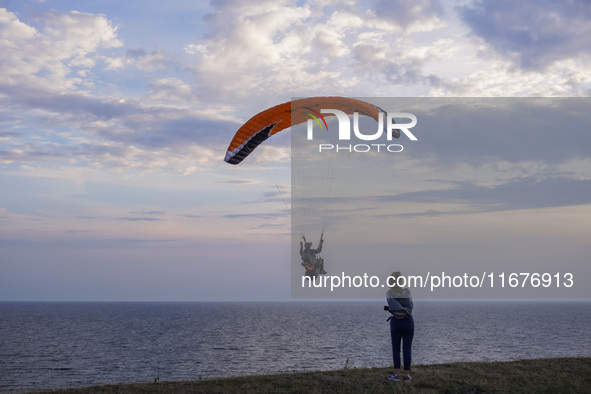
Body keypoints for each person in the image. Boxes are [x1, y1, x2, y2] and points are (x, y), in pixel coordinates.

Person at [386, 271, 414, 382]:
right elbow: (411, 306)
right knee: (407, 349)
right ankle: (407, 375)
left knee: (395, 349)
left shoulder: (389, 293)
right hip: (408, 322)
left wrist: (398, 309)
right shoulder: (407, 291)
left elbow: (391, 306)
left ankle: (397, 374)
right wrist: (404, 309)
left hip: (396, 322)